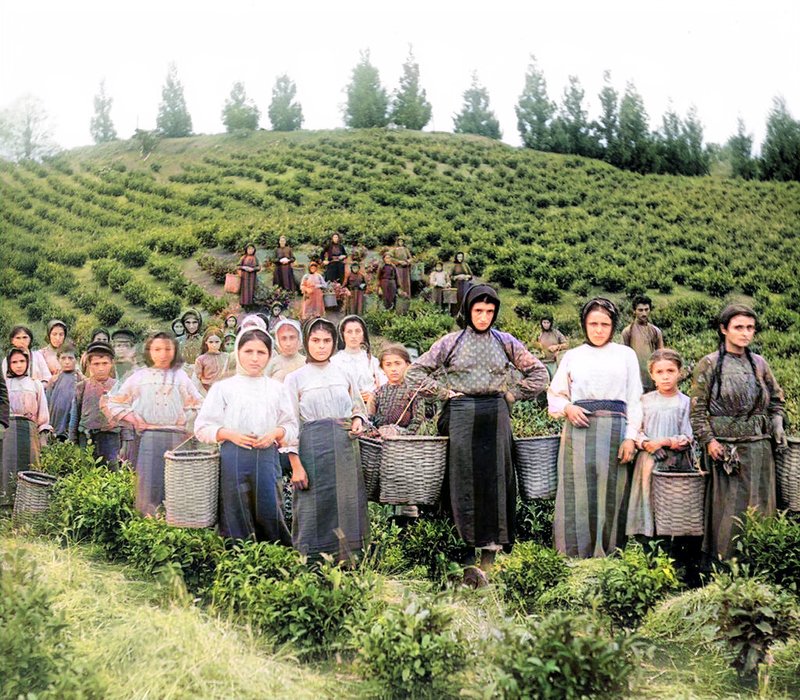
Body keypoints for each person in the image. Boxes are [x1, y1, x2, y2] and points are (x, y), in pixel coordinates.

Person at [406, 285, 549, 585]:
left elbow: (540, 374)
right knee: (462, 483)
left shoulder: (505, 341)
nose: (484, 317)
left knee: (495, 483)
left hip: (495, 416)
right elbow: (414, 374)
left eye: (489, 311)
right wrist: (444, 393)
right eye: (478, 311)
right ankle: (465, 557)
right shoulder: (451, 342)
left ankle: (490, 559)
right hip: (460, 415)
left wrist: (512, 394)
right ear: (467, 311)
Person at [548, 297, 643, 558]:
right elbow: (555, 394)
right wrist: (568, 408)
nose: (598, 329)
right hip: (579, 432)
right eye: (593, 323)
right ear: (584, 325)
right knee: (578, 492)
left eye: (605, 323)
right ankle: (574, 556)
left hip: (615, 432)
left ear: (613, 326)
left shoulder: (626, 355)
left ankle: (610, 554)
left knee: (613, 491)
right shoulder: (573, 356)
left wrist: (631, 438)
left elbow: (635, 398)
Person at [690, 304, 786, 560]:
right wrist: (709, 441)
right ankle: (724, 565)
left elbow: (776, 401)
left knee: (760, 505)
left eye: (750, 328)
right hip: (726, 451)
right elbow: (697, 411)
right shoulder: (709, 364)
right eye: (739, 327)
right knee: (729, 510)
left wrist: (777, 423)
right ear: (724, 329)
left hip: (759, 449)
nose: (745, 333)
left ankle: (760, 562)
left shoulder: (759, 364)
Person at [195, 328, 297, 542]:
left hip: (266, 457)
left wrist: (275, 434)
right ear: (238, 353)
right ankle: (237, 559)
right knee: (235, 511)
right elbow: (202, 427)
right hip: (233, 457)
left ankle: (274, 556)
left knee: (269, 508)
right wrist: (229, 434)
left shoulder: (277, 389)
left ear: (269, 355)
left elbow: (291, 426)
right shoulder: (223, 388)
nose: (254, 358)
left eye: (261, 352)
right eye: (248, 351)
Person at [283, 317, 369, 561]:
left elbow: (358, 407)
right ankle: (311, 563)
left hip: (344, 448)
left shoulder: (344, 372)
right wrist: (296, 466)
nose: (321, 346)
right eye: (315, 340)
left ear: (334, 342)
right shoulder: (295, 378)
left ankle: (349, 562)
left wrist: (357, 421)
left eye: (327, 341)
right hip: (312, 450)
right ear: (306, 342)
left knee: (347, 503)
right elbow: (290, 424)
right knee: (312, 506)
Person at [105, 332, 203, 516]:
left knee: (174, 484)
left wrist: (185, 417)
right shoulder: (139, 377)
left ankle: (173, 525)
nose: (163, 354)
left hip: (176, 439)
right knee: (149, 484)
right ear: (149, 351)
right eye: (157, 349)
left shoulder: (180, 377)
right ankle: (146, 525)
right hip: (148, 437)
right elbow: (115, 402)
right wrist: (136, 419)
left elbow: (200, 403)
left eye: (168, 349)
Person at [626, 349, 693, 538]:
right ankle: (648, 543)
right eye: (660, 372)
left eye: (670, 371)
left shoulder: (685, 402)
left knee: (672, 504)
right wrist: (647, 443)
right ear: (652, 375)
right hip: (648, 461)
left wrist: (664, 442)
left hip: (675, 462)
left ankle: (673, 547)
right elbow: (634, 429)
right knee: (648, 499)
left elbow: (688, 435)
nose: (665, 377)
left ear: (679, 372)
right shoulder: (644, 401)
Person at [2, 349, 51, 506]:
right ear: (9, 364)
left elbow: (42, 409)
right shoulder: (5, 383)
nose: (18, 365)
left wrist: (43, 432)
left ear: (28, 363)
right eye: (14, 362)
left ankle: (28, 503)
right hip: (9, 428)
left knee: (29, 463)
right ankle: (6, 502)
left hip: (29, 429)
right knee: (7, 463)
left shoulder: (35, 384)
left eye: (22, 361)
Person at [70, 341, 122, 468]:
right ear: (89, 365)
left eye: (105, 363)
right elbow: (75, 413)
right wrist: (72, 439)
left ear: (112, 364)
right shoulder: (82, 387)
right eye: (96, 364)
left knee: (111, 472)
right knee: (88, 471)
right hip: (87, 436)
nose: (100, 368)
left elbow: (124, 416)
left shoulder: (118, 387)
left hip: (111, 438)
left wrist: (126, 442)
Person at [331, 315, 387, 411]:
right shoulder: (334, 362)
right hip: (345, 410)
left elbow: (385, 385)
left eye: (357, 331)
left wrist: (373, 396)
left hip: (370, 408)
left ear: (363, 335)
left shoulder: (372, 361)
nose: (353, 336)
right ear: (342, 335)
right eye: (349, 332)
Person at [370, 345, 424, 438]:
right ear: (382, 368)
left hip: (405, 444)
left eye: (398, 363)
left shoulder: (414, 391)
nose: (393, 369)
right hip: (379, 442)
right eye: (388, 364)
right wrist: (375, 433)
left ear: (407, 365)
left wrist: (401, 435)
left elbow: (418, 421)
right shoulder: (377, 393)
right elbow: (369, 419)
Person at [621, 295, 665, 392]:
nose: (644, 313)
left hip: (652, 379)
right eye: (640, 310)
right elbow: (624, 359)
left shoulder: (656, 331)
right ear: (634, 311)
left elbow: (661, 356)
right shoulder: (628, 331)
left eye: (646, 309)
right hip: (635, 380)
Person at [46, 343, 79, 441]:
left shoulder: (80, 379)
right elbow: (48, 402)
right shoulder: (54, 380)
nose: (67, 362)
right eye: (63, 358)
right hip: (55, 422)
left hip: (72, 423)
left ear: (76, 359)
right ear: (58, 359)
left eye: (70, 358)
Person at [193, 328, 230, 393]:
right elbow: (196, 380)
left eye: (217, 342)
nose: (214, 345)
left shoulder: (227, 357)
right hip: (207, 393)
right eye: (211, 342)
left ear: (221, 341)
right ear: (206, 342)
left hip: (225, 391)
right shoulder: (201, 359)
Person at [238, 243, 261, 308]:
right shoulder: (243, 257)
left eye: (252, 249)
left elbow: (259, 267)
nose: (250, 250)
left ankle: (250, 304)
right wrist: (244, 267)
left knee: (251, 289)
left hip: (252, 277)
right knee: (244, 290)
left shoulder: (255, 258)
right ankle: (244, 303)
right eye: (249, 249)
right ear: (246, 250)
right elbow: (238, 266)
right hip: (244, 277)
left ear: (254, 250)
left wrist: (253, 269)